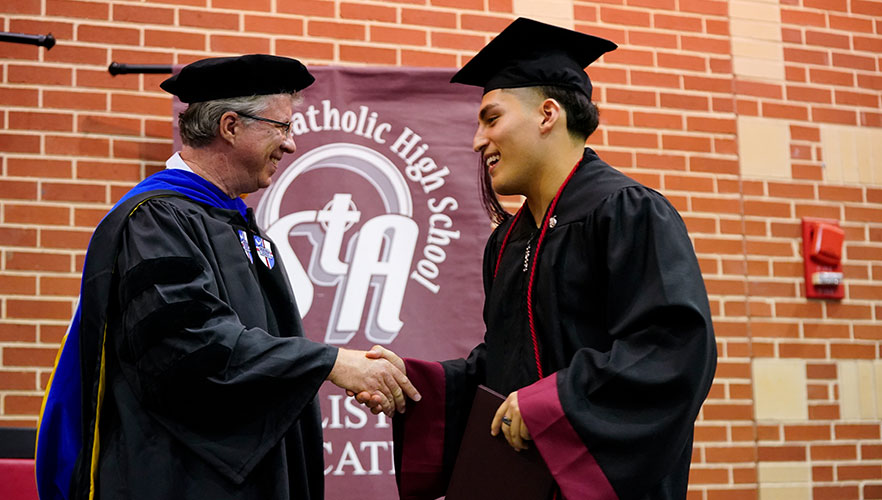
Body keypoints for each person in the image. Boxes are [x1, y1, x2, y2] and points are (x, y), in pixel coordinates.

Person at [35, 54, 420, 500]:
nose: (291, 145)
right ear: (231, 126)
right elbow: (189, 348)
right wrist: (329, 363)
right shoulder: (156, 220)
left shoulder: (237, 227)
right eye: (282, 127)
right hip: (177, 479)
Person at [374, 18, 718, 500]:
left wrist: (553, 405)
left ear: (547, 114)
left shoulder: (628, 213)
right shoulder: (507, 242)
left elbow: (672, 351)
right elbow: (504, 367)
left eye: (491, 119)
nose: (477, 141)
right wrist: (416, 385)